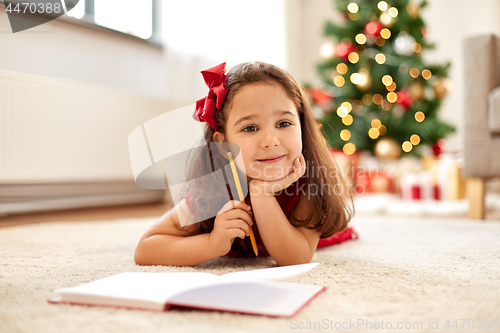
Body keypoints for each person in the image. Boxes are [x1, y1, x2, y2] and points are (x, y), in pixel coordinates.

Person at [134, 61, 357, 267]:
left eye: (284, 123)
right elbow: (146, 249)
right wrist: (211, 244)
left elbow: (296, 259)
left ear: (302, 126)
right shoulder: (212, 188)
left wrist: (262, 194)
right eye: (250, 128)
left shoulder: (308, 183)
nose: (270, 141)